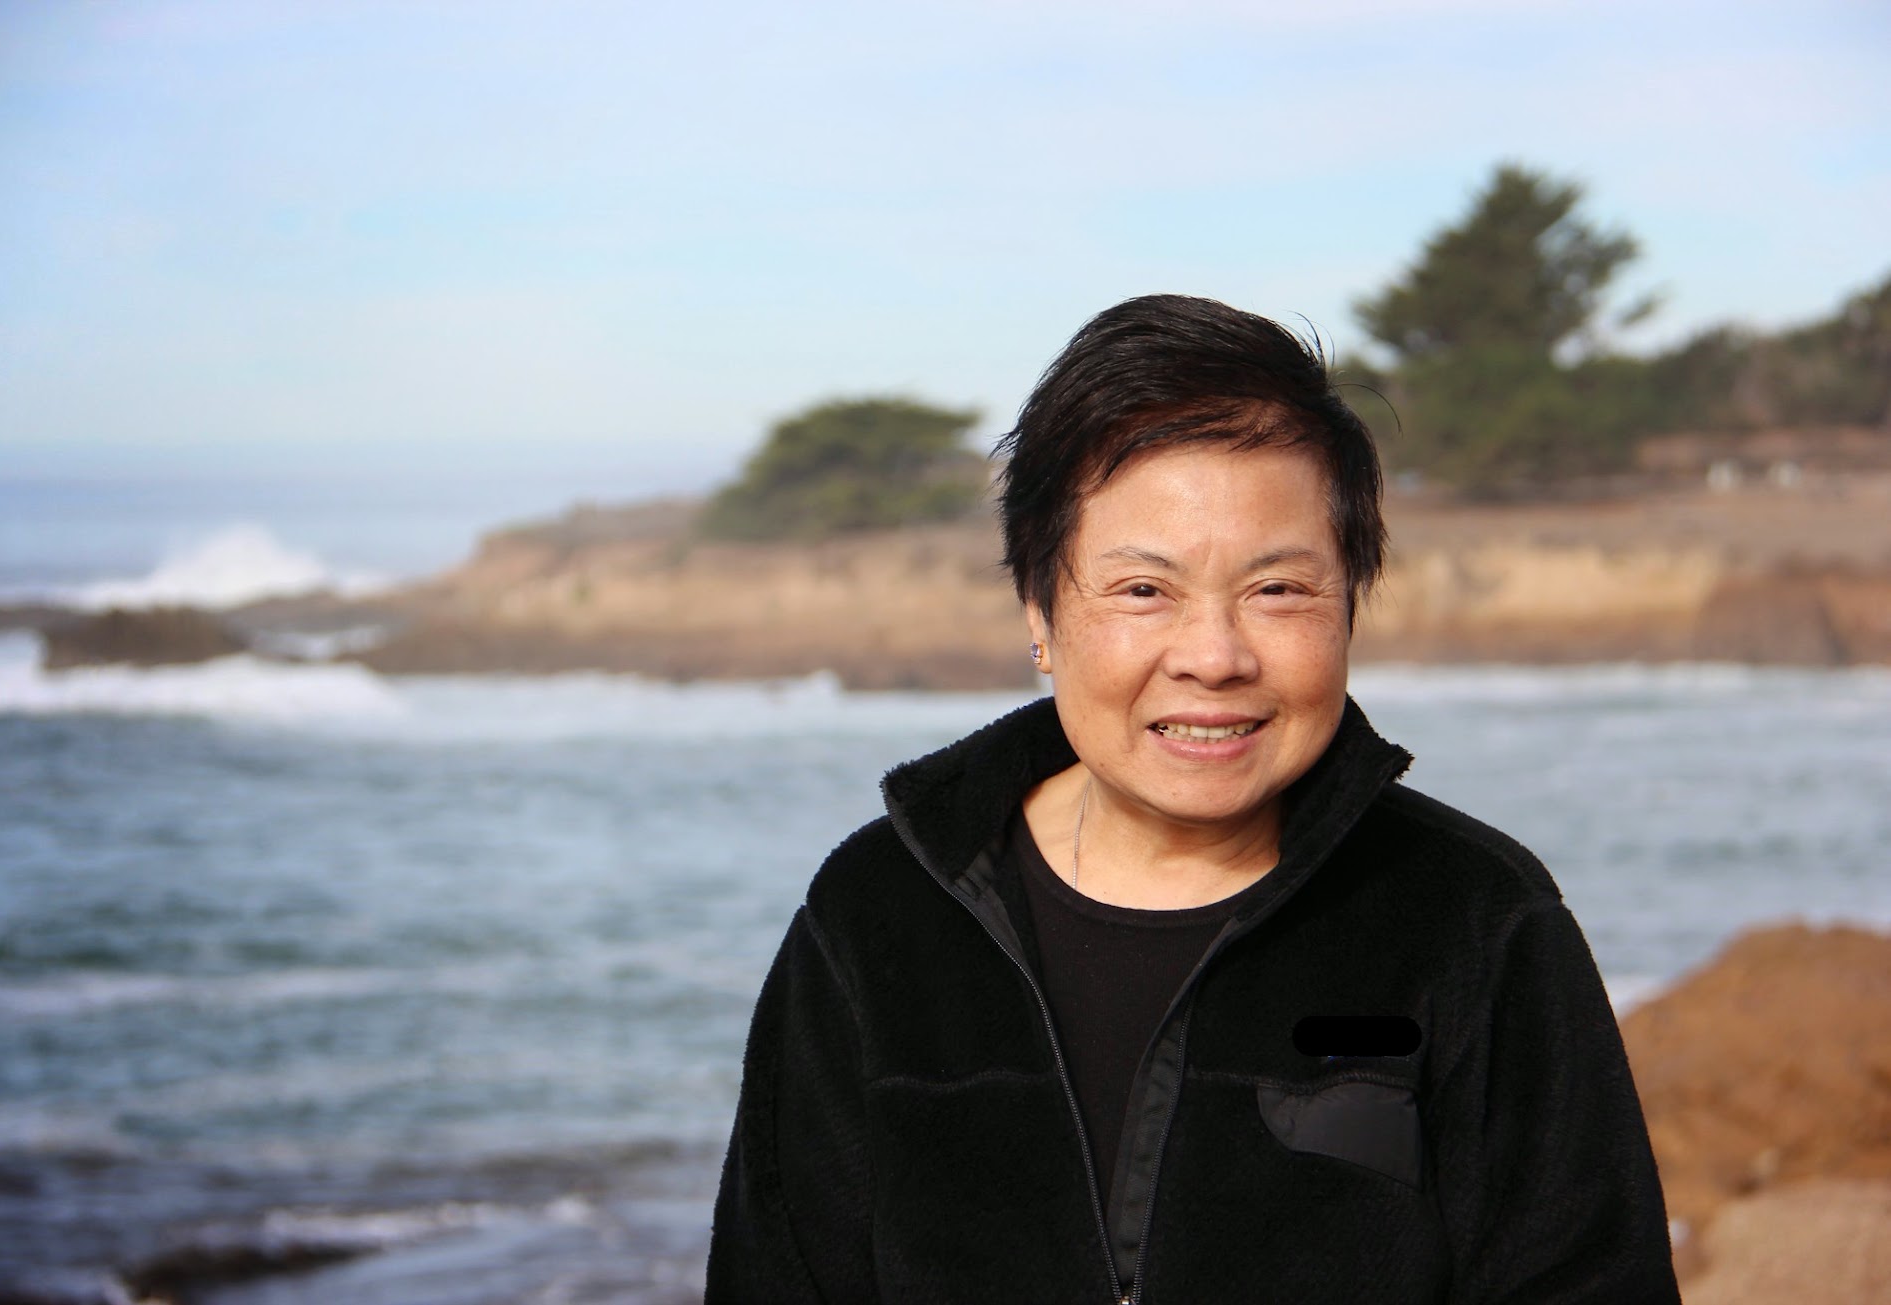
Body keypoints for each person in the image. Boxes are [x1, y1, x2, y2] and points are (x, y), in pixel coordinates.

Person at [706, 295, 1679, 1303]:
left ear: (1350, 604)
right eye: (1144, 590)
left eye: (1277, 590)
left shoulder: (1475, 919)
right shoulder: (876, 916)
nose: (1214, 657)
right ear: (1039, 612)